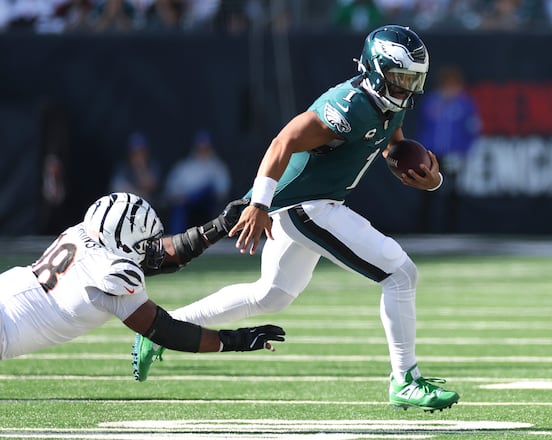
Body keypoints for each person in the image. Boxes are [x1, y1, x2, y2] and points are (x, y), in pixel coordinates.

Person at [132, 25, 459, 412]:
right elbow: (283, 141)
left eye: (413, 80)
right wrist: (258, 203)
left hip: (312, 204)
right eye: (401, 78)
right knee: (400, 274)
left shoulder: (390, 101)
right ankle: (405, 379)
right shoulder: (348, 105)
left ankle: (160, 328)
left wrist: (429, 177)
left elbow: (390, 144)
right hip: (307, 204)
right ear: (376, 69)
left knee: (271, 295)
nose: (407, 88)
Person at [0, 192, 285, 375]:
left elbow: (161, 256)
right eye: (145, 243)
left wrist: (219, 226)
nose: (152, 248)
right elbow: (164, 330)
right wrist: (237, 341)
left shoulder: (81, 233)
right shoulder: (112, 274)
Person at [415, 64, 481, 232]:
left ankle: (451, 229)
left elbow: (472, 130)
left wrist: (463, 152)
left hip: (454, 154)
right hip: (432, 154)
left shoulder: (465, 104)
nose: (450, 88)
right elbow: (423, 127)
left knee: (453, 192)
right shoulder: (432, 101)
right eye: (447, 84)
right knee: (428, 190)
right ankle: (425, 229)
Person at [162, 130, 231, 234]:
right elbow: (170, 190)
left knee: (208, 188)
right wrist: (184, 197)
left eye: (206, 148)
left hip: (207, 206)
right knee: (179, 207)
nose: (203, 151)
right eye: (201, 148)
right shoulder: (185, 166)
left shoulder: (217, 167)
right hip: (186, 206)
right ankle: (176, 239)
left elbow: (222, 192)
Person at [110, 132, 162, 205]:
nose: (138, 156)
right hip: (125, 207)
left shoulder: (152, 166)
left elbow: (151, 187)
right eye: (135, 153)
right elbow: (116, 190)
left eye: (141, 152)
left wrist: (141, 168)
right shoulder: (123, 168)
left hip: (147, 209)